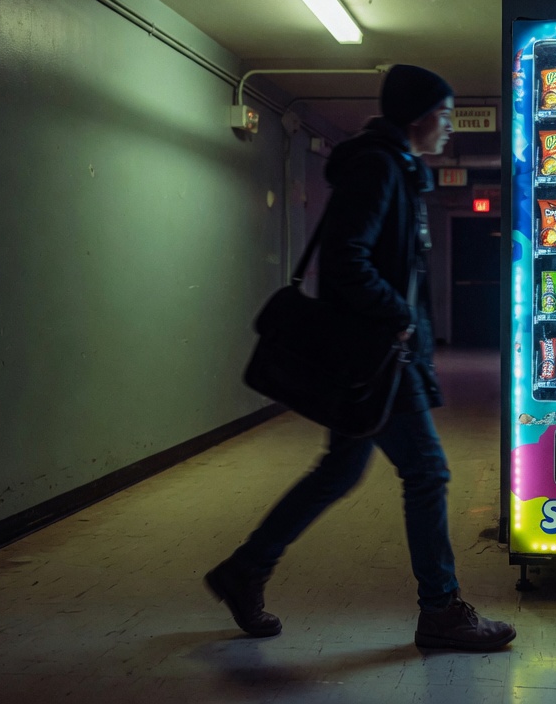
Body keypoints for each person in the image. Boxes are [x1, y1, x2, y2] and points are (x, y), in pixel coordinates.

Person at [205, 64, 516, 652]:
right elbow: (347, 259)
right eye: (445, 115)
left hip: (385, 354)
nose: (450, 127)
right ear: (418, 116)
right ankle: (441, 609)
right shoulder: (378, 167)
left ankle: (246, 569)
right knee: (427, 472)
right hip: (380, 356)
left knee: (340, 471)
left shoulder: (395, 167)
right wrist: (398, 315)